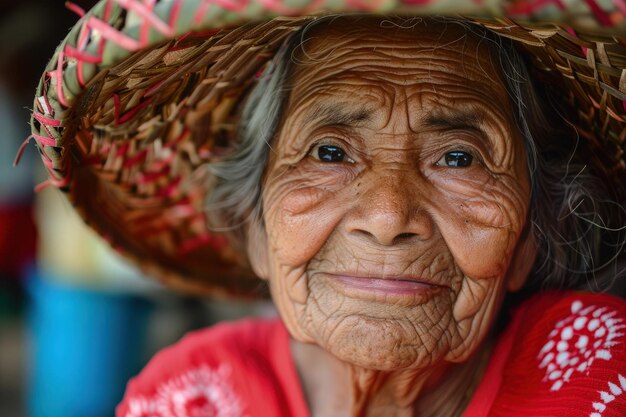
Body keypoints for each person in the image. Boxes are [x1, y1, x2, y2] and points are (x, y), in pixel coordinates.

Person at [26, 1, 626, 416]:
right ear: (257, 227)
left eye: (459, 158)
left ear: (526, 240)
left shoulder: (605, 375)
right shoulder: (190, 396)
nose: (388, 215)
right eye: (331, 150)